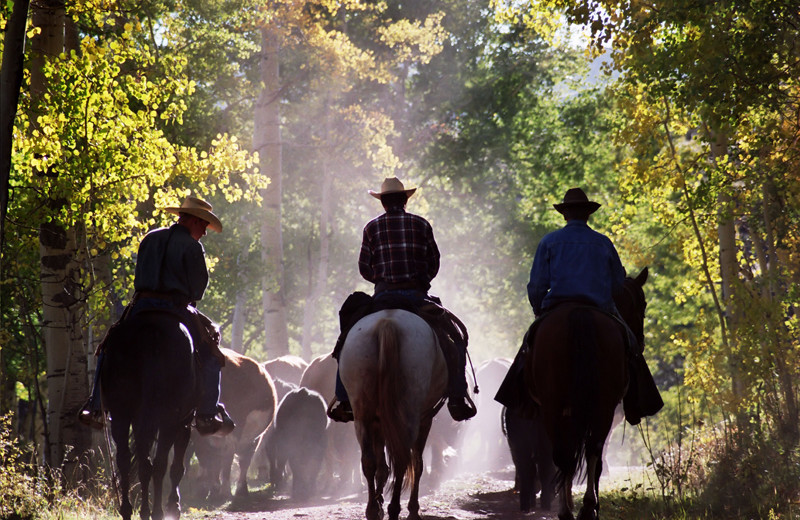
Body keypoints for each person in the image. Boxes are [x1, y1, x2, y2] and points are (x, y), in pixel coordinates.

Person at [496, 187, 662, 424]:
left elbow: (536, 286)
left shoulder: (549, 242)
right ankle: (637, 405)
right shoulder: (603, 243)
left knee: (528, 345)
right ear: (588, 215)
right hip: (600, 307)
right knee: (632, 347)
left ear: (565, 214)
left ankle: (517, 399)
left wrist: (539, 311)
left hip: (557, 306)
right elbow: (617, 286)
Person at [78, 196, 235, 436]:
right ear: (194, 220)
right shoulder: (193, 247)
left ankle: (96, 407)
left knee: (108, 347)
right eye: (203, 226)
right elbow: (197, 290)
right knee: (212, 354)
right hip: (177, 308)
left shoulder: (150, 238)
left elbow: (139, 275)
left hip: (141, 305)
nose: (204, 233)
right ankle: (206, 414)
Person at [326, 177, 477, 423]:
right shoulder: (421, 224)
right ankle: (458, 397)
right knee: (456, 339)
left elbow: (365, 268)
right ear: (405, 200)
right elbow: (434, 262)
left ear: (383, 202)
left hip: (383, 296)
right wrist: (420, 278)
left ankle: (344, 399)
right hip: (416, 296)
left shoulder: (371, 228)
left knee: (345, 340)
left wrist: (383, 277)